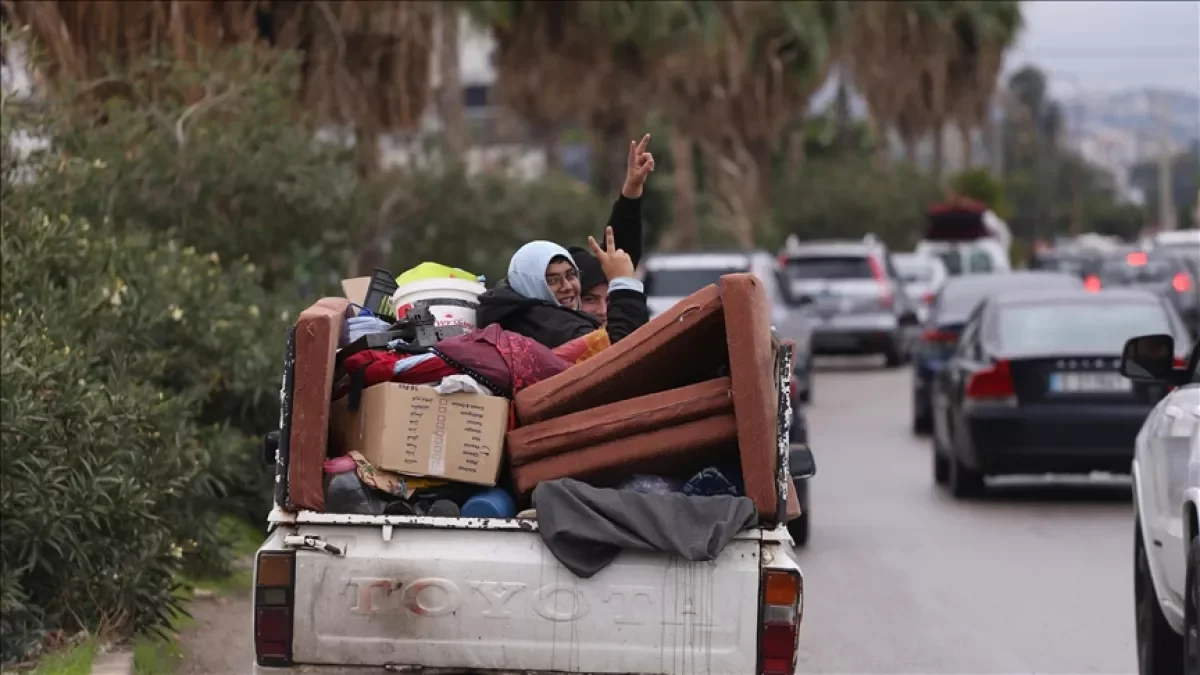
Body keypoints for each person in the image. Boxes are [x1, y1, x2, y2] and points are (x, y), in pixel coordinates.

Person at [476, 227, 648, 349]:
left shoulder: (524, 313)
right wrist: (624, 284)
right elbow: (621, 354)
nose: (567, 287)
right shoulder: (555, 327)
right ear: (530, 284)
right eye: (552, 280)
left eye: (571, 275)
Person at [570, 134, 654, 324]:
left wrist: (632, 190)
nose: (603, 311)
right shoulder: (566, 338)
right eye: (590, 299)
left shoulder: (619, 332)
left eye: (610, 299)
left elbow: (621, 258)